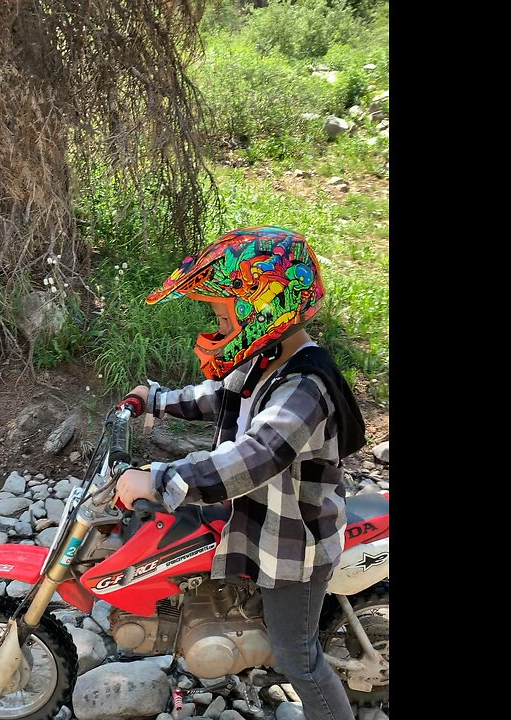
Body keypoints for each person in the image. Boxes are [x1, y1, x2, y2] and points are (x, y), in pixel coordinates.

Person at [115, 226, 368, 720]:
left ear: (264, 308)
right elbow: (219, 396)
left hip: (294, 542)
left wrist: (161, 479)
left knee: (297, 654)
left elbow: (256, 457)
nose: (217, 325)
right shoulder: (265, 358)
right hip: (261, 518)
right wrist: (158, 400)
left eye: (221, 315)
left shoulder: (305, 385)